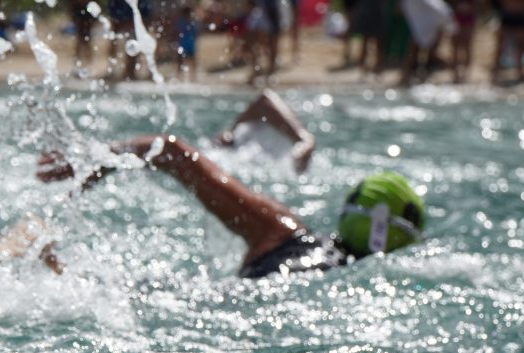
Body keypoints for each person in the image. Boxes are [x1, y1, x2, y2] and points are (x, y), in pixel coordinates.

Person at [32, 94, 424, 278]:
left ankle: (44, 256)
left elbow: (169, 150)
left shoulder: (284, 233)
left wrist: (97, 156)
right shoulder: (380, 288)